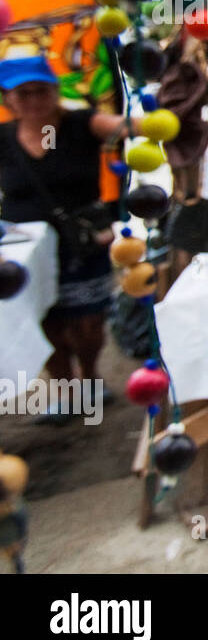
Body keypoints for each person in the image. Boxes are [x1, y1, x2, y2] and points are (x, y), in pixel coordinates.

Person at [0, 55, 144, 419]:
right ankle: (67, 389)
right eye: (24, 93)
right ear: (8, 99)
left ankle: (90, 378)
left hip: (81, 242)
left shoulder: (81, 124)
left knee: (86, 321)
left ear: (55, 91)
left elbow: (128, 126)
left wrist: (162, 117)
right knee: (45, 320)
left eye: (41, 91)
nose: (34, 100)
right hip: (28, 248)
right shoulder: (4, 139)